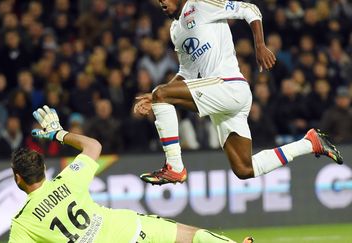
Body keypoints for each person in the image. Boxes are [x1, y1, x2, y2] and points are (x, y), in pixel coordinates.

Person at [133, 0, 343, 185]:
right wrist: (157, 97)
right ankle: (310, 143)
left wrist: (260, 45)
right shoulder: (176, 30)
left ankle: (175, 168)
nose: (161, 2)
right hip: (221, 96)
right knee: (244, 169)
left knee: (161, 93)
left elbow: (249, 9)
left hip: (229, 86)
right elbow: (186, 72)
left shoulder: (201, 4)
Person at [8, 105, 253, 243]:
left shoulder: (23, 222)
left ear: (18, 177)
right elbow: (93, 146)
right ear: (42, 169)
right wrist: (58, 133)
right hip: (129, 229)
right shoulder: (68, 179)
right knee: (190, 236)